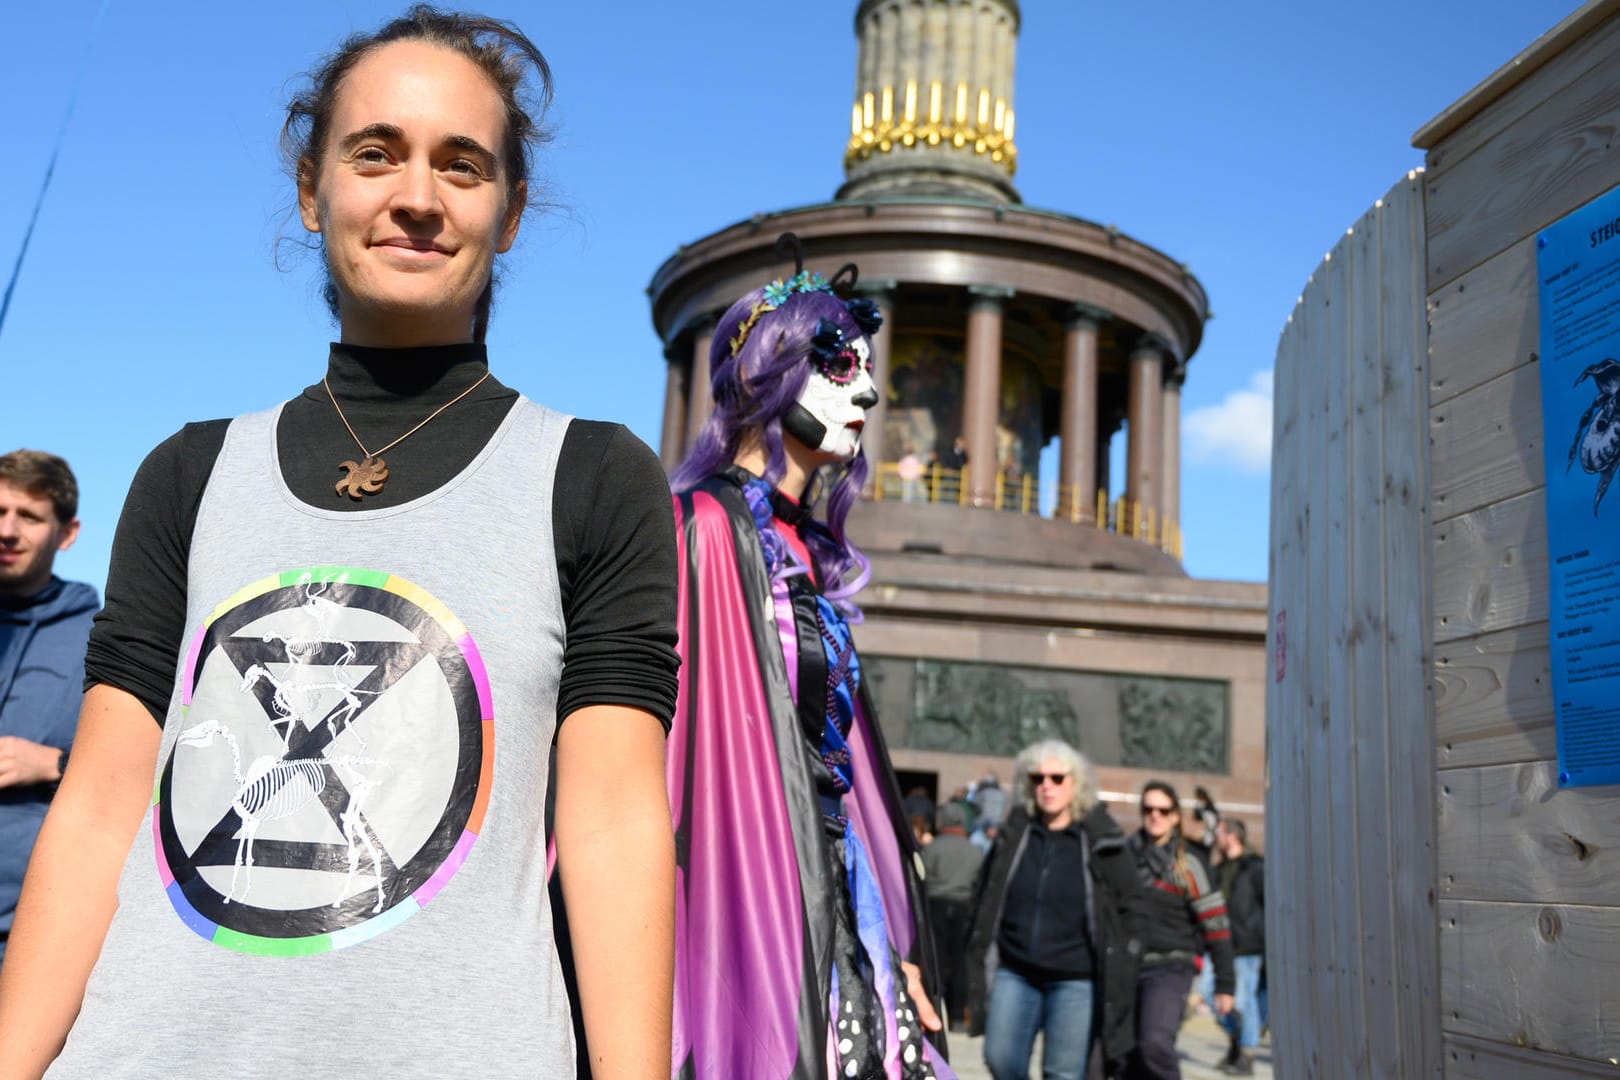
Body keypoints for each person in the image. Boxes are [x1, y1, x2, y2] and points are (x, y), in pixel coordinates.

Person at [0, 9, 677, 1078]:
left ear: (508, 214)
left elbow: (614, 827)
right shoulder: (188, 471)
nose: (417, 196)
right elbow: (98, 814)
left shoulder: (594, 477)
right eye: (377, 153)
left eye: (462, 164)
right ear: (313, 191)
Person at [667, 241, 953, 1079]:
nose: (866, 390)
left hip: (835, 899)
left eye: (866, 369)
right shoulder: (700, 531)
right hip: (738, 903)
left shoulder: (805, 550)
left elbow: (839, 765)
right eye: (836, 364)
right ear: (768, 374)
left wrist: (893, 939)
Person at [965, 740, 1144, 1080]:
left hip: (1075, 979)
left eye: (1057, 778)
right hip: (1015, 971)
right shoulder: (1015, 833)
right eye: (1038, 778)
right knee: (1000, 1058)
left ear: (1076, 783)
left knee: (1062, 1073)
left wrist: (1129, 951)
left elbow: (1132, 904)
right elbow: (984, 889)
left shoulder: (1101, 839)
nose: (1047, 785)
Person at [0, 451, 98, 969]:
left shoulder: (105, 641)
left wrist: (51, 765)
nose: (8, 531)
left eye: (29, 516)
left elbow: (152, 773)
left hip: (33, 941)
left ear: (67, 533)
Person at [1126, 781, 1235, 1080]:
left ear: (1176, 816)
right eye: (1148, 809)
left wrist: (1225, 985)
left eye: (1163, 810)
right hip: (1126, 966)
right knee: (1127, 1056)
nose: (1155, 816)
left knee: (1154, 1043)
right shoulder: (1125, 856)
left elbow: (1216, 925)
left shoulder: (1188, 864)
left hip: (1170, 966)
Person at [922, 801, 982, 1029]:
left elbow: (922, 876)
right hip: (964, 906)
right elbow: (979, 882)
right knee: (960, 961)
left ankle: (935, 1009)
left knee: (935, 959)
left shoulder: (932, 848)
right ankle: (957, 1015)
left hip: (936, 904)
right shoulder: (974, 850)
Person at [1211, 819, 1264, 1075]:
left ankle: (1246, 1055)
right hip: (1223, 946)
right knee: (1215, 1000)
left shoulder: (1254, 867)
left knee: (1244, 1003)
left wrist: (1259, 938)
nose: (1214, 837)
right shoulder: (1222, 868)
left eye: (1218, 833)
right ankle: (1237, 1043)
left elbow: (1267, 904)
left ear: (1232, 836)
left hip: (1247, 947)